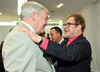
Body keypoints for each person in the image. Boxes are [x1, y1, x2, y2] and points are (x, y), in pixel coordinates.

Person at [18, 13, 92, 72]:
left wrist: (40, 40)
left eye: (68, 24)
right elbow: (54, 56)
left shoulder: (84, 44)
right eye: (65, 24)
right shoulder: (65, 43)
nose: (65, 27)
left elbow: (69, 55)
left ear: (79, 27)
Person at [2, 1, 54, 72]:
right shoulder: (19, 37)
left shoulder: (28, 35)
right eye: (45, 18)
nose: (47, 24)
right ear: (34, 16)